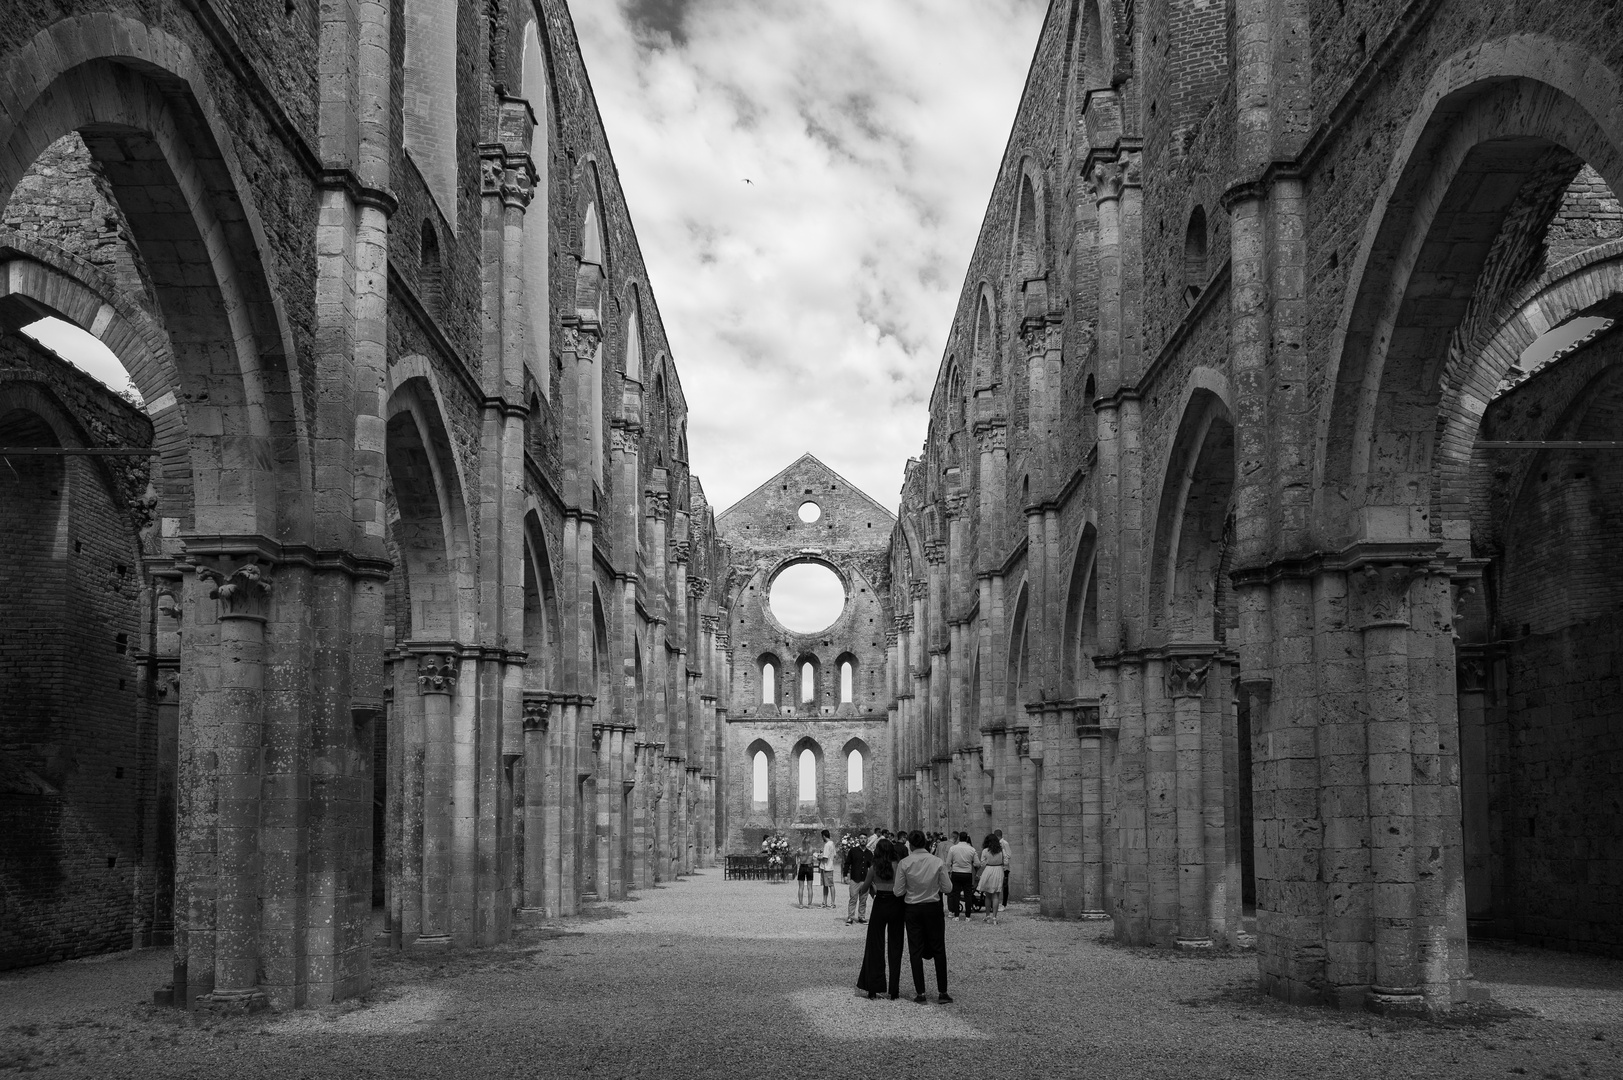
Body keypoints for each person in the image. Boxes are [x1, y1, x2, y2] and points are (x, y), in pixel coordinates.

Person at [894, 829, 953, 1003]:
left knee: (915, 950)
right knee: (939, 949)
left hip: (912, 908)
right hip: (933, 908)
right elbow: (948, 888)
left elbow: (898, 891)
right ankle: (942, 992)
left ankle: (921, 993)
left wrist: (912, 888)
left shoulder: (904, 863)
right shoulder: (937, 862)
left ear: (910, 844)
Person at [855, 839, 905, 1000]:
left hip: (880, 903)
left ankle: (873, 988)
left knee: (875, 945)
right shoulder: (898, 866)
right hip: (896, 903)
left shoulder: (873, 868)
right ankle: (894, 990)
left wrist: (871, 888)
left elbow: (863, 889)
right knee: (895, 945)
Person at [944, 832, 977, 920]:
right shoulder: (971, 849)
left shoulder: (953, 848)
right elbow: (977, 863)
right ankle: (968, 916)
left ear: (959, 838)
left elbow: (948, 862)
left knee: (956, 894)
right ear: (966, 838)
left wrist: (950, 869)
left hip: (956, 872)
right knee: (968, 894)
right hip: (967, 873)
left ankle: (957, 915)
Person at [977, 832, 1006, 925]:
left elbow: (982, 863)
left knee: (988, 895)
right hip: (998, 870)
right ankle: (994, 917)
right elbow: (1006, 861)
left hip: (989, 870)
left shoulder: (985, 851)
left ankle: (987, 916)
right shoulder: (1001, 850)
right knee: (996, 895)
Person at [845, 831, 873, 925]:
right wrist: (845, 875)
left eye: (865, 838)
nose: (863, 840)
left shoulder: (869, 853)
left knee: (863, 900)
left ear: (867, 840)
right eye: (861, 838)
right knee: (853, 898)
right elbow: (847, 863)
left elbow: (872, 866)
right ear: (858, 840)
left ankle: (861, 917)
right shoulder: (853, 851)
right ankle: (850, 917)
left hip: (865, 879)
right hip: (855, 879)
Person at [819, 829, 838, 908]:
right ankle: (825, 902)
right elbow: (834, 855)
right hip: (829, 866)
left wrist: (818, 857)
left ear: (823, 836)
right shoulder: (832, 843)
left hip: (826, 867)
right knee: (826, 885)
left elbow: (825, 858)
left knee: (830, 885)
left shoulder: (827, 845)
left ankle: (832, 903)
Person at [796, 839, 816, 908]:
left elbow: (797, 858)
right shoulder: (812, 850)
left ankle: (801, 904)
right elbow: (814, 859)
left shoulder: (800, 850)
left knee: (801, 887)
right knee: (810, 887)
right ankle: (809, 904)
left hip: (802, 867)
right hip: (809, 867)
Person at [995, 829, 1012, 906]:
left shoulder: (1005, 843)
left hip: (1005, 867)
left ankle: (1004, 904)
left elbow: (1008, 855)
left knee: (1005, 885)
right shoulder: (996, 844)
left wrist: (1002, 857)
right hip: (998, 867)